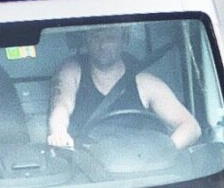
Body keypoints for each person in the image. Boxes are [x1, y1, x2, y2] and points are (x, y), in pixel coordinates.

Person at [46, 27, 200, 150]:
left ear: (124, 40)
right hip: (88, 171)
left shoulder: (146, 83)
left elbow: (190, 127)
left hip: (139, 170)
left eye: (110, 38)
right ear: (86, 40)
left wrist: (163, 151)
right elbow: (61, 105)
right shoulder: (72, 71)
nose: (102, 45)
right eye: (95, 37)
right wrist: (59, 131)